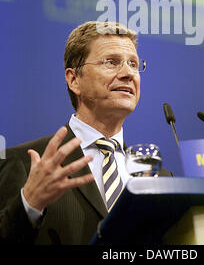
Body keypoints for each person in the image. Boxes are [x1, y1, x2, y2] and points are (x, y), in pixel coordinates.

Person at [0, 21, 172, 244]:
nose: (129, 73)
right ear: (74, 80)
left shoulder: (160, 179)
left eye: (133, 64)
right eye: (112, 62)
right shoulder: (23, 163)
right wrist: (29, 204)